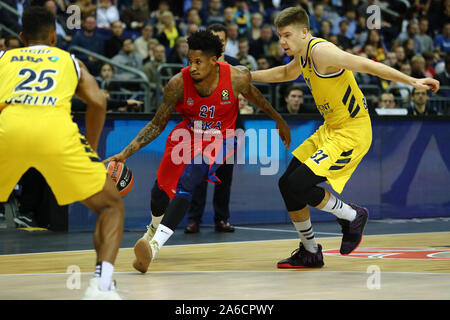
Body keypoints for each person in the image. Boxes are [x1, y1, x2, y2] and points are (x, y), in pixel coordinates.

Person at [250, 6, 439, 268]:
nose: (282, 41)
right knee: (287, 184)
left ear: (304, 32)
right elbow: (284, 73)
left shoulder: (321, 52)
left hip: (352, 131)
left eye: (287, 35)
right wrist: (247, 76)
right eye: (279, 35)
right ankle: (310, 251)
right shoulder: (302, 55)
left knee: (298, 185)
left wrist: (412, 81)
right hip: (330, 128)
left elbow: (367, 65)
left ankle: (352, 215)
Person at [104, 30, 290, 273]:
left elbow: (257, 99)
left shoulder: (236, 78)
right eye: (189, 61)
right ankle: (152, 229)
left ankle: (155, 246)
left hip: (221, 138)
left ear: (214, 61)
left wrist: (279, 120)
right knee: (159, 191)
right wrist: (125, 153)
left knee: (191, 177)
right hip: (187, 135)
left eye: (198, 62)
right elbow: (157, 124)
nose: (192, 67)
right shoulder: (177, 84)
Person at [0, 6, 124, 299]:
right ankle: (101, 286)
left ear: (20, 37)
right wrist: (91, 150)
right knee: (110, 206)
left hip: (9, 127)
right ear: (54, 37)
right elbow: (98, 102)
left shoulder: (4, 57)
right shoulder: (70, 59)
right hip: (56, 133)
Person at [184, 23, 240, 234]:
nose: (219, 42)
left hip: (229, 128)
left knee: (224, 177)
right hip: (203, 128)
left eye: (222, 39)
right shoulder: (198, 65)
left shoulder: (234, 66)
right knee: (198, 174)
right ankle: (194, 219)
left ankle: (221, 219)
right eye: (215, 38)